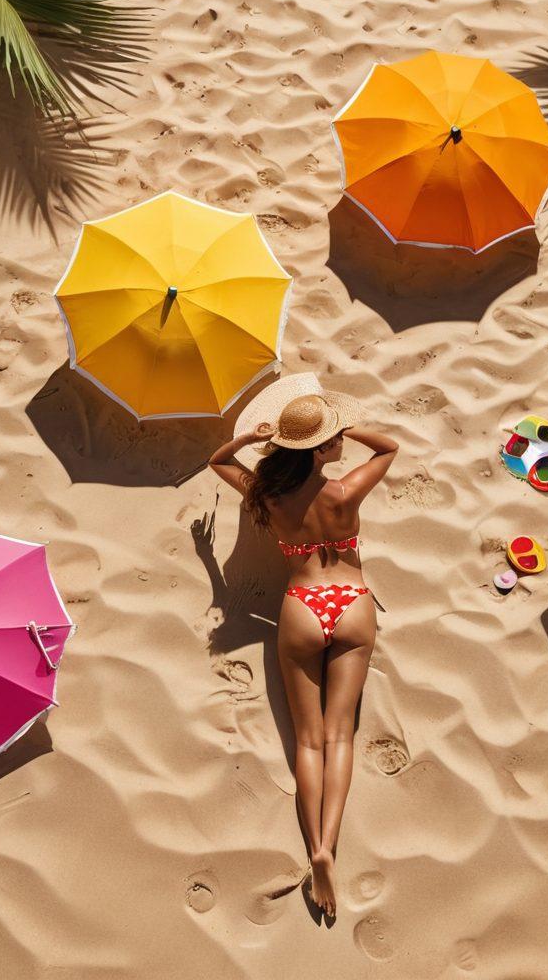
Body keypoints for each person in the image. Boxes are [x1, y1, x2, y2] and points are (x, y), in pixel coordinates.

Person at [208, 375, 397, 919]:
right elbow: (389, 447)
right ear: (324, 448)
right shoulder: (345, 491)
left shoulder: (270, 495)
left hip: (302, 607)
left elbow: (219, 462)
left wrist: (252, 441)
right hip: (351, 603)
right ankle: (325, 846)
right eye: (333, 438)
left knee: (307, 743)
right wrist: (341, 426)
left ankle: (313, 841)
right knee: (341, 735)